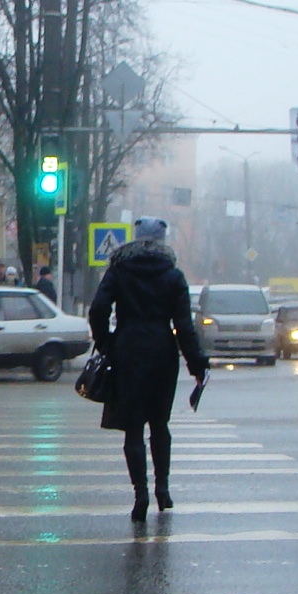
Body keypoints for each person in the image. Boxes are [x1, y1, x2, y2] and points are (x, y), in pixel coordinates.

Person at [88, 217, 207, 523]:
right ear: (162, 241)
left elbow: (98, 309)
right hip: (162, 352)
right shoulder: (173, 275)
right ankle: (163, 489)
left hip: (127, 349)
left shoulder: (119, 270)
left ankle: (139, 493)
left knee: (132, 427)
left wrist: (106, 343)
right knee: (159, 423)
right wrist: (197, 364)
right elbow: (184, 326)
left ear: (136, 238)